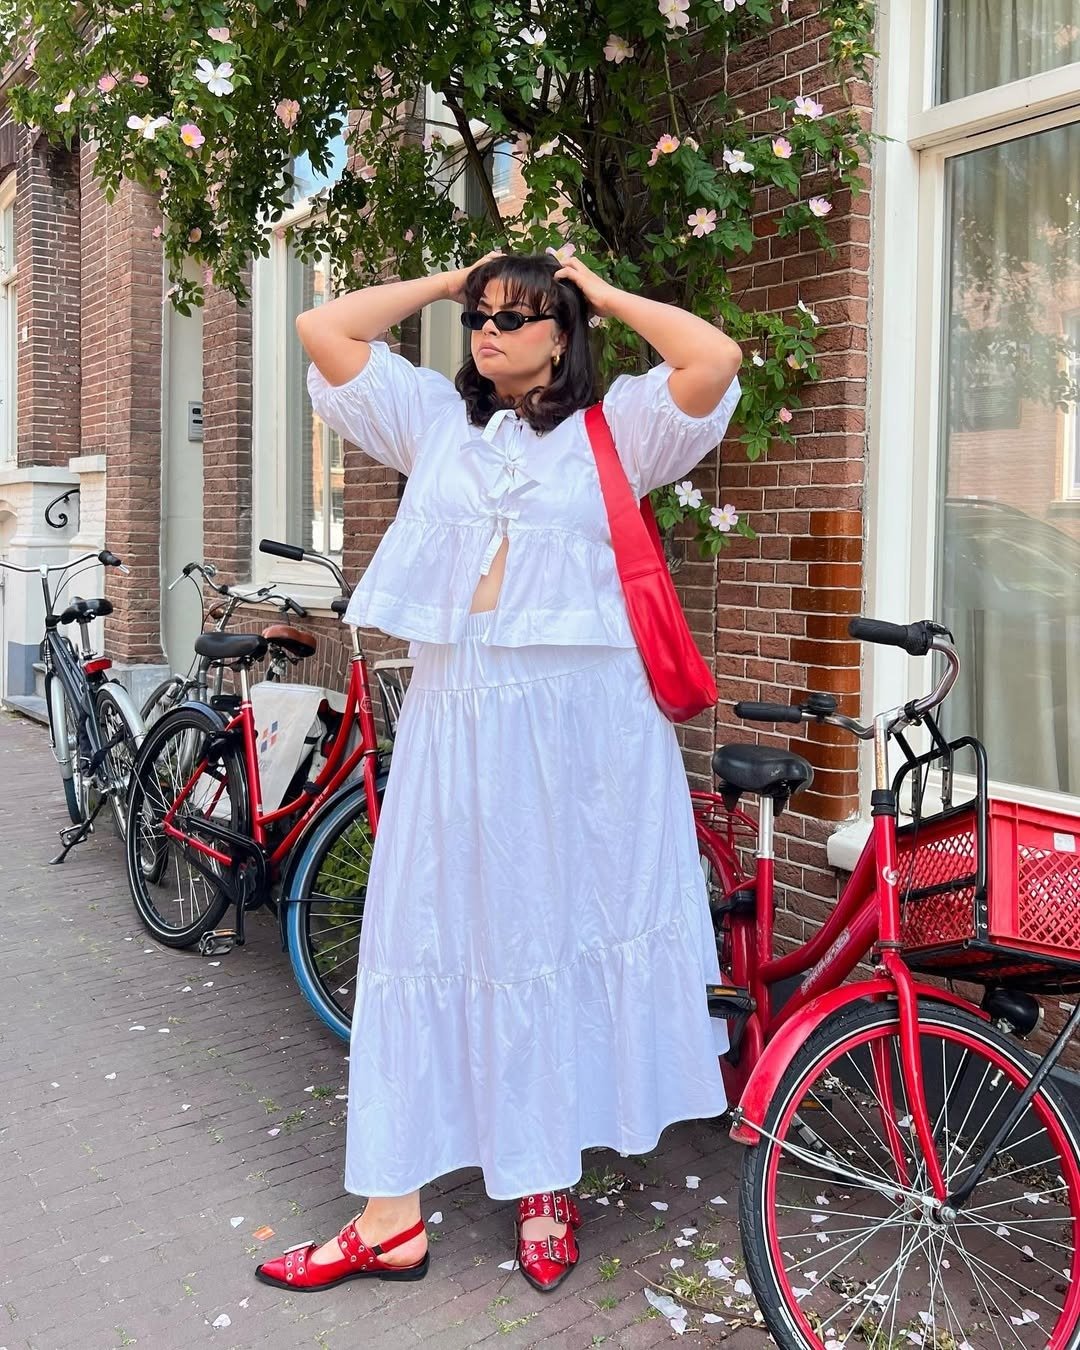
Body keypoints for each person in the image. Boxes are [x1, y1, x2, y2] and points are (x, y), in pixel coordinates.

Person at [255, 249, 743, 1295]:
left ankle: (545, 1182)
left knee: (554, 935)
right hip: (459, 721)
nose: (492, 330)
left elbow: (713, 357)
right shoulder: (435, 421)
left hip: (589, 737)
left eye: (520, 318)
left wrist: (605, 292)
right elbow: (324, 332)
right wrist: (440, 284)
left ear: (562, 334)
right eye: (483, 315)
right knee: (419, 935)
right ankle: (389, 1217)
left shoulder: (620, 426)